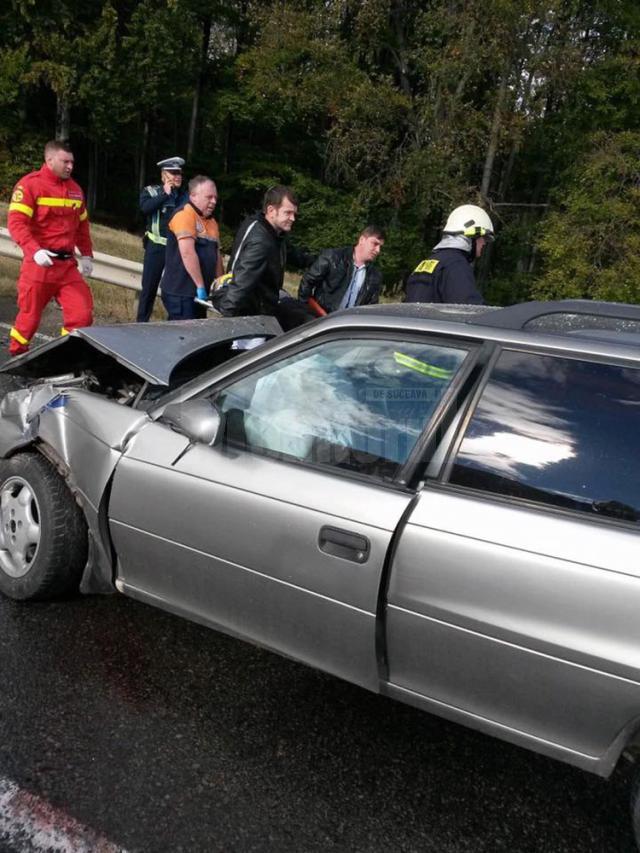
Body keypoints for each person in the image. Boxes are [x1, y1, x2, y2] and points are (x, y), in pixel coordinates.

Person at [7, 139, 94, 356]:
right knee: (29, 317)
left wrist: (87, 255)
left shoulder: (75, 189)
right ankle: (17, 354)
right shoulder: (30, 185)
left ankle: (65, 356)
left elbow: (82, 226)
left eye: (72, 162)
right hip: (39, 266)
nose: (70, 167)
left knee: (82, 313)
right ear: (49, 160)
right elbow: (16, 223)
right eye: (65, 162)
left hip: (67, 267)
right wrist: (34, 250)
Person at [216, 185, 313, 328]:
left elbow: (295, 255)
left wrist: (321, 260)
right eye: (288, 213)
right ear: (271, 211)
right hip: (250, 313)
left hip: (263, 305)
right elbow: (243, 280)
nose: (293, 218)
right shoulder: (261, 240)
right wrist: (227, 318)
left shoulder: (274, 233)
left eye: (294, 214)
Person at [160, 175, 224, 320]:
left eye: (215, 197)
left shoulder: (211, 222)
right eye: (209, 197)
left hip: (198, 295)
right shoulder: (184, 215)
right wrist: (200, 286)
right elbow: (188, 253)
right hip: (181, 292)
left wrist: (221, 283)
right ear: (193, 196)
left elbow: (216, 255)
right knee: (183, 338)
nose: (214, 202)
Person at [405, 204, 494, 304]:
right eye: (484, 237)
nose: (484, 243)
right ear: (473, 235)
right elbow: (469, 310)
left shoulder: (428, 263)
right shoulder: (456, 266)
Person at [137, 156, 188, 322]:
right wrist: (164, 195)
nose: (178, 176)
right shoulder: (151, 192)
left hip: (177, 251)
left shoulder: (184, 196)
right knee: (149, 290)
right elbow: (145, 209)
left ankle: (172, 325)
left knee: (174, 291)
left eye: (179, 173)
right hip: (156, 248)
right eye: (173, 173)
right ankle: (140, 325)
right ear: (163, 175)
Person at [298, 225, 385, 316]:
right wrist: (317, 314)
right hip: (318, 321)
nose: (378, 250)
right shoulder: (332, 257)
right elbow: (306, 283)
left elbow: (370, 309)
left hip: (347, 327)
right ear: (362, 240)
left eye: (380, 247)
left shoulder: (375, 276)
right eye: (375, 244)